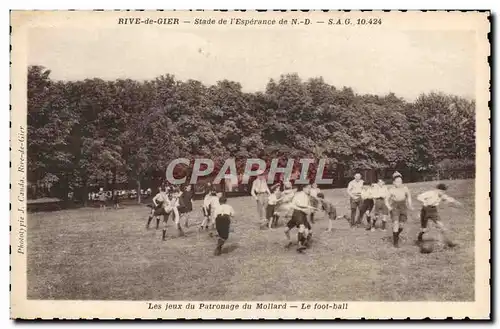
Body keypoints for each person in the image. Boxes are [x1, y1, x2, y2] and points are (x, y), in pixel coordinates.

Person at [416, 183, 462, 248]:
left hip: (433, 211)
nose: (442, 193)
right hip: (425, 210)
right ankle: (419, 238)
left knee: (441, 226)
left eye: (444, 192)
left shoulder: (442, 195)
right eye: (441, 191)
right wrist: (424, 201)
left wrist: (456, 202)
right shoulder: (430, 193)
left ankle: (450, 243)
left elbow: (449, 199)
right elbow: (419, 197)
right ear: (437, 190)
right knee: (424, 229)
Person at [284, 184, 315, 252]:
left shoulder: (306, 196)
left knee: (307, 231)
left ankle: (302, 242)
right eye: (308, 188)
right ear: (304, 188)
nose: (309, 190)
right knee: (287, 230)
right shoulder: (300, 195)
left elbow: (306, 208)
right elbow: (297, 204)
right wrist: (308, 207)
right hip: (297, 214)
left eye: (310, 188)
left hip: (302, 215)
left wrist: (310, 209)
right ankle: (295, 242)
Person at [385, 173, 413, 248]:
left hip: (403, 206)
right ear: (394, 182)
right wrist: (389, 207)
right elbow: (386, 200)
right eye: (397, 181)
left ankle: (396, 234)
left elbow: (409, 197)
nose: (399, 183)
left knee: (401, 225)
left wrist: (410, 205)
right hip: (395, 207)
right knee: (396, 223)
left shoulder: (405, 188)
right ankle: (395, 242)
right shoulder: (391, 190)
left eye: (400, 181)